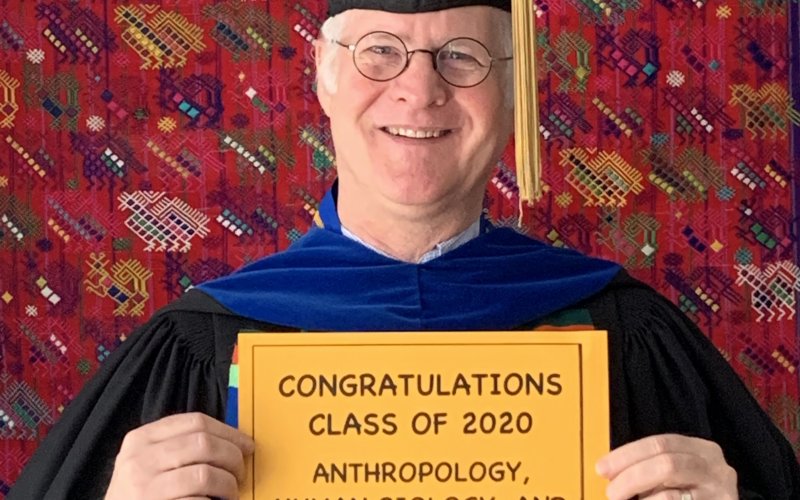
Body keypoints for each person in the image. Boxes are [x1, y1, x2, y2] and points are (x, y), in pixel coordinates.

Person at [8, 1, 800, 499]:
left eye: (462, 56)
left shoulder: (625, 333)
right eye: (379, 51)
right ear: (321, 75)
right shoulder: (193, 346)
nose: (420, 90)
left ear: (512, 90)